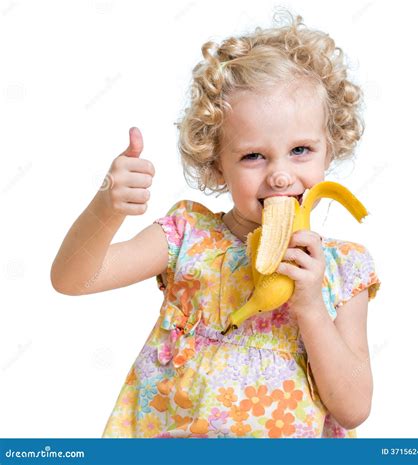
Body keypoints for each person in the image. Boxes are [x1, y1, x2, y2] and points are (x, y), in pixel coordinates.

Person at [51, 9, 381, 438]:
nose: (280, 174)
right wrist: (106, 209)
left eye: (300, 150)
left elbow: (354, 408)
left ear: (329, 150)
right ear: (216, 164)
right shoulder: (187, 237)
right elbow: (74, 279)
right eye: (253, 156)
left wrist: (311, 306)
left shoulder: (342, 268)